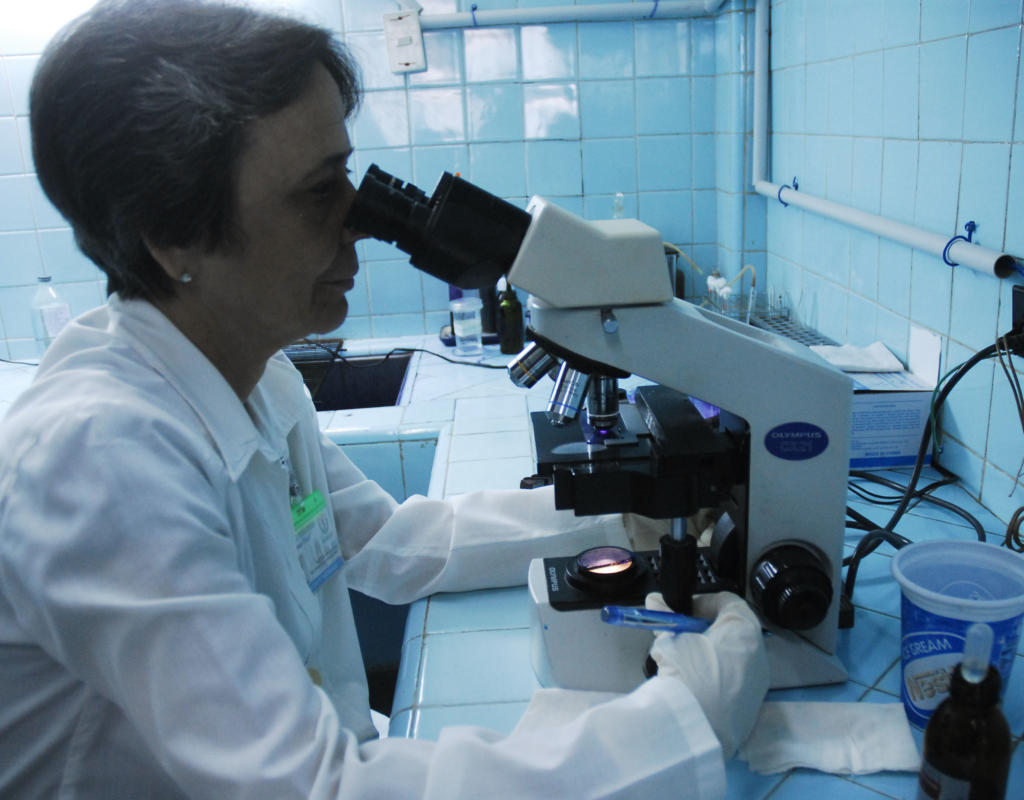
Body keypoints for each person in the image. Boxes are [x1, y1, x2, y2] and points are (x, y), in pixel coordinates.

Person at [0, 1, 768, 797]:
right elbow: (318, 790)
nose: (361, 223)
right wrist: (690, 721)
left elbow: (386, 545)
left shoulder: (254, 375)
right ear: (174, 237)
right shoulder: (99, 459)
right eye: (318, 191)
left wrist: (620, 516)